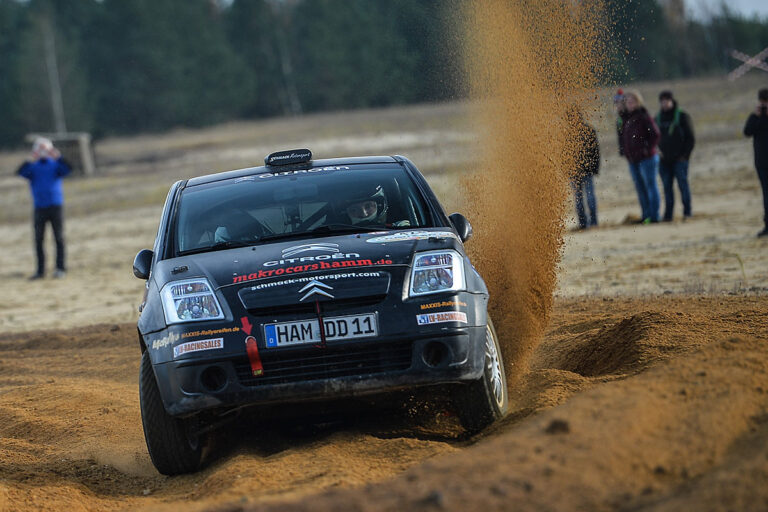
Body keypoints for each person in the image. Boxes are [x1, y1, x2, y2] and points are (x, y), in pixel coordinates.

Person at [16, 137, 72, 279]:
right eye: (40, 149)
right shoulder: (33, 167)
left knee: (58, 238)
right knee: (38, 239)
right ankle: (40, 271)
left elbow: (68, 169)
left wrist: (58, 156)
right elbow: (20, 172)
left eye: (44, 148)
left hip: (55, 205)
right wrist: (30, 158)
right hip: (39, 207)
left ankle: (60, 268)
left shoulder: (55, 165)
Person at [622, 90, 661, 223]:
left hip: (647, 159)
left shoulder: (644, 116)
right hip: (633, 160)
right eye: (628, 102)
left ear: (638, 102)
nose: (630, 104)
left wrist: (646, 149)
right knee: (640, 188)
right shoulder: (627, 118)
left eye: (632, 101)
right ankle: (646, 215)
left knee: (651, 186)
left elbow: (655, 134)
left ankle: (655, 216)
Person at [656, 90, 695, 221]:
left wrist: (685, 155)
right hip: (663, 161)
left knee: (683, 186)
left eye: (667, 101)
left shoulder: (682, 116)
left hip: (680, 159)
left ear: (672, 101)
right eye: (662, 101)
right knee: (667, 188)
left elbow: (691, 138)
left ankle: (687, 212)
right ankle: (668, 215)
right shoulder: (658, 118)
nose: (664, 104)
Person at [567, 108, 600, 230]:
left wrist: (595, 168)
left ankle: (587, 222)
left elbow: (595, 151)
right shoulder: (586, 130)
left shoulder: (586, 130)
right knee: (581, 198)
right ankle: (588, 222)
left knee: (583, 197)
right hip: (577, 171)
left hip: (584, 171)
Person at [744, 88, 768, 238]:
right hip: (762, 163)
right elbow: (747, 132)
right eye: (762, 102)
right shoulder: (755, 116)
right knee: (766, 195)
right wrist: (758, 117)